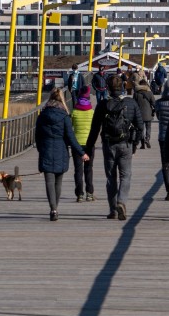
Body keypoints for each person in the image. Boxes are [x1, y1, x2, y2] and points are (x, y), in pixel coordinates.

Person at [84, 72, 144, 221]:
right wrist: (135, 144)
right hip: (126, 144)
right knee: (125, 175)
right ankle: (121, 202)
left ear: (108, 89)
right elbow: (140, 126)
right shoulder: (130, 103)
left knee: (111, 178)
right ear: (123, 86)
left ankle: (113, 210)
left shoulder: (103, 105)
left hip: (109, 144)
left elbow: (94, 129)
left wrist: (88, 149)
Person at [35, 88, 88, 221]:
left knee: (49, 182)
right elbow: (71, 137)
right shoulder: (64, 116)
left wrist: (41, 149)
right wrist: (81, 153)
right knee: (58, 182)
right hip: (61, 150)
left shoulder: (42, 116)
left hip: (46, 149)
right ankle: (55, 208)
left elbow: (37, 136)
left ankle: (52, 208)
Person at [70, 86, 96, 202]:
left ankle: (79, 194)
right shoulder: (92, 112)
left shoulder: (74, 112)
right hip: (89, 144)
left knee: (78, 170)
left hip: (77, 144)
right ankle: (89, 193)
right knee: (89, 169)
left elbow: (70, 128)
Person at [133, 79, 155, 149]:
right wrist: (154, 110)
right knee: (148, 127)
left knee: (140, 129)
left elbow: (133, 104)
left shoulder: (136, 93)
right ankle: (147, 139)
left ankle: (142, 144)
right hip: (148, 113)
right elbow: (154, 103)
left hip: (139, 114)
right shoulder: (150, 93)